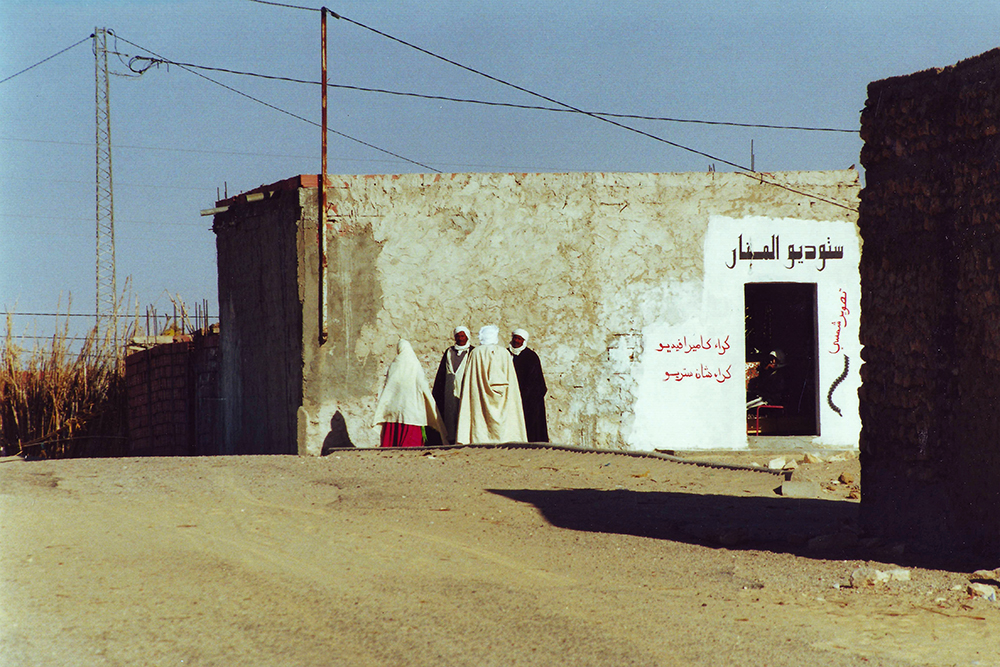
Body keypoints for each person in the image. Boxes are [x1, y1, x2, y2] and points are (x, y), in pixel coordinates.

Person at [454, 325, 527, 444]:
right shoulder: (504, 353)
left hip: (479, 395)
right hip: (503, 396)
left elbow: (470, 379)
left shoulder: (476, 353)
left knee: (479, 415)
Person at [372, 339, 447, 447]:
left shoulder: (395, 364)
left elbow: (389, 385)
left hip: (395, 408)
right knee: (411, 429)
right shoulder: (414, 363)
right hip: (411, 407)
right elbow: (422, 383)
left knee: (394, 430)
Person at [431, 326, 474, 444]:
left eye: (462, 336)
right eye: (458, 336)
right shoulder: (449, 351)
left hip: (465, 388)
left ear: (467, 337)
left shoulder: (472, 352)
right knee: (450, 413)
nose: (460, 339)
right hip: (449, 389)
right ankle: (451, 438)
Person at [508, 328, 549, 443]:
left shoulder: (531, 357)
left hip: (528, 399)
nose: (516, 341)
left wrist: (523, 395)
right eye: (515, 338)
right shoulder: (506, 354)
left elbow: (536, 382)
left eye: (519, 339)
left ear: (524, 341)